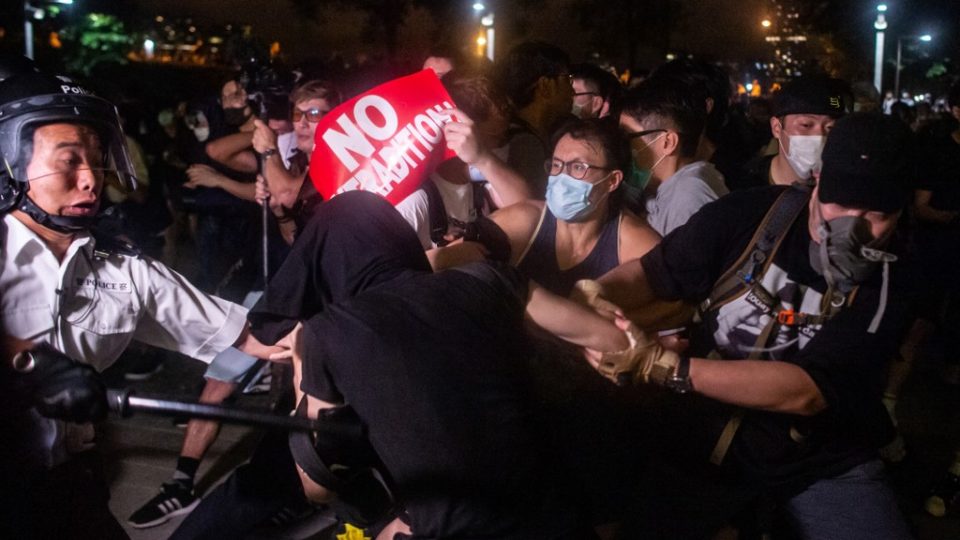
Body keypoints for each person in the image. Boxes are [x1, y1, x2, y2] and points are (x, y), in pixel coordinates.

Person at [579, 113, 917, 539]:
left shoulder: (899, 277)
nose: (851, 226)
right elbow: (654, 272)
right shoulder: (749, 215)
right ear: (819, 179)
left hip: (820, 457)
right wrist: (596, 291)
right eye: (840, 201)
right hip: (707, 438)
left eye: (876, 213)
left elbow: (806, 391)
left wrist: (665, 366)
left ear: (903, 209)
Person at [246, 190, 633, 539]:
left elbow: (319, 486)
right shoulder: (487, 279)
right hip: (559, 516)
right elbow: (614, 341)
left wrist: (303, 368)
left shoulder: (325, 334)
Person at [0, 58, 280, 538]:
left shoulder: (121, 266)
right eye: (68, 160)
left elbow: (252, 335)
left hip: (72, 483)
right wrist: (27, 365)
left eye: (96, 157)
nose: (90, 178)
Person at [619, 76, 728, 237]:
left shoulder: (689, 198)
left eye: (628, 137)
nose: (621, 145)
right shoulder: (669, 188)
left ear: (667, 142)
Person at [734, 76, 848, 191]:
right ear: (776, 128)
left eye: (831, 127)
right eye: (806, 125)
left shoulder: (848, 189)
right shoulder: (741, 185)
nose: (820, 136)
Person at [494, 41, 574, 197]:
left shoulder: (510, 131)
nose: (572, 90)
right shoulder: (525, 145)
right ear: (545, 85)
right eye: (567, 79)